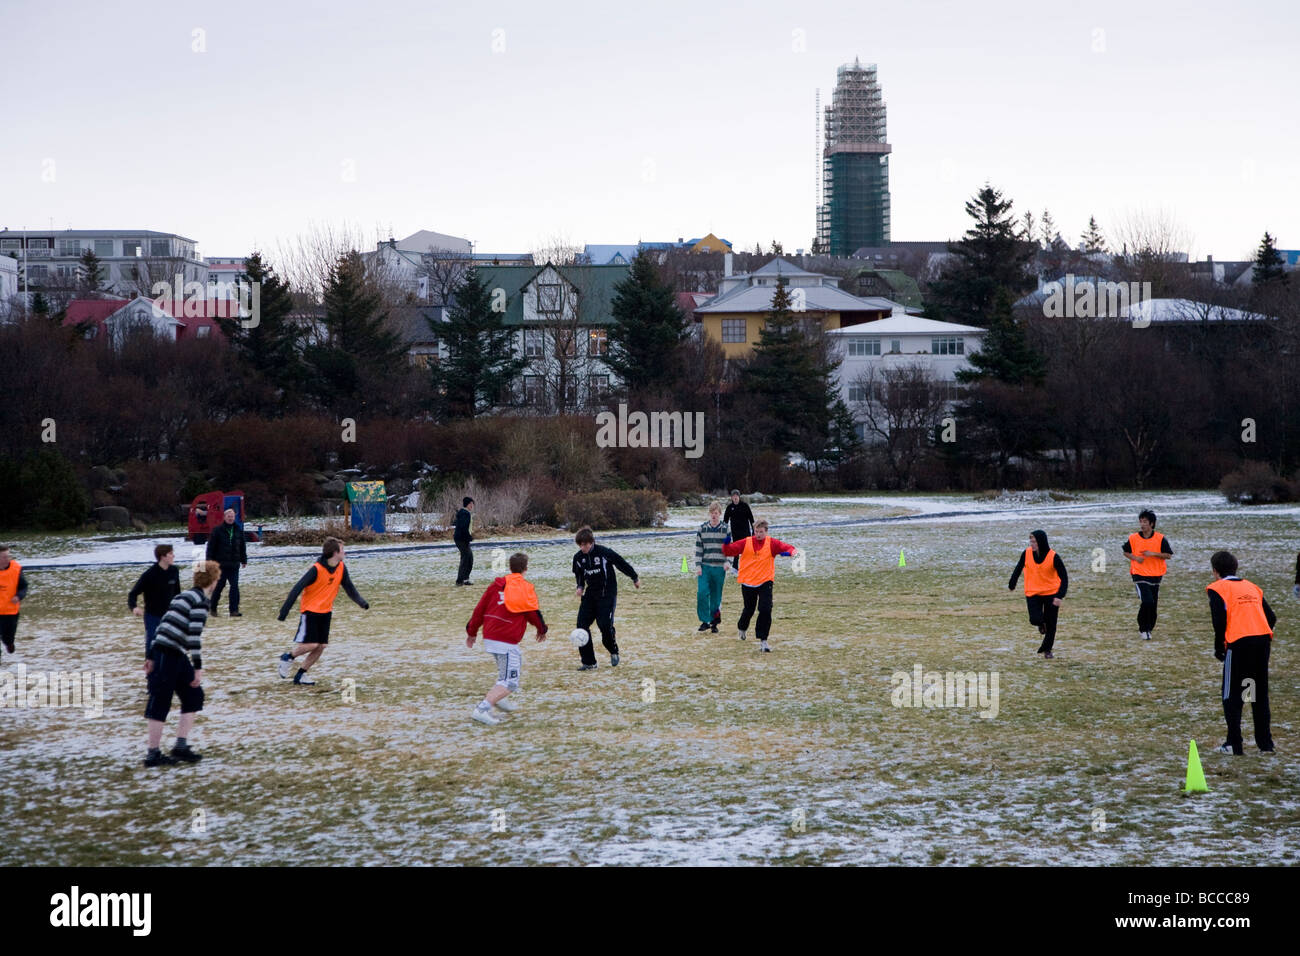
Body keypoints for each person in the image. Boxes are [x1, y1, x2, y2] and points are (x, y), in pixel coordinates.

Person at [144, 560, 219, 767]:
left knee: (193, 695)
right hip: (170, 655)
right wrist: (198, 667)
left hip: (167, 652)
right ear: (212, 580)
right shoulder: (201, 601)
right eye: (217, 578)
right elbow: (194, 636)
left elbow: (160, 626)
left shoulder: (182, 596)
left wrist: (150, 655)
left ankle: (180, 746)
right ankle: (153, 754)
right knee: (161, 702)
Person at [466, 552, 548, 726]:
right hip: (506, 641)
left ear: (510, 567)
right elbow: (532, 612)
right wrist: (542, 629)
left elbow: (479, 609)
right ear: (526, 569)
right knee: (510, 682)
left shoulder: (495, 586)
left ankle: (499, 700)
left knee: (506, 672)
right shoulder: (523, 588)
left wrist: (471, 631)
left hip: (490, 636)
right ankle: (482, 709)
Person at [1207, 551, 1276, 755]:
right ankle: (1265, 744)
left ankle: (1233, 743)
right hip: (1262, 642)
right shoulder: (1251, 586)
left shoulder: (1218, 588)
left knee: (1232, 694)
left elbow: (1219, 621)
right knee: (1256, 694)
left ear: (1215, 571)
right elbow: (1271, 617)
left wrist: (1220, 646)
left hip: (1238, 644)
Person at [276, 537, 370, 685]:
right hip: (310, 611)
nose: (344, 553)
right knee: (312, 644)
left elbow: (350, 588)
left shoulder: (341, 567)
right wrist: (284, 611)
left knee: (321, 646)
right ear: (335, 552)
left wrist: (361, 602)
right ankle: (287, 657)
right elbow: (297, 589)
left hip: (326, 612)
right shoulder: (316, 569)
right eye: (342, 550)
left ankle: (301, 675)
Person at [720, 518, 796, 653]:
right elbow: (728, 551)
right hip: (748, 582)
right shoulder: (746, 542)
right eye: (756, 531)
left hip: (765, 581)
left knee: (765, 609)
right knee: (749, 609)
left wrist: (792, 552)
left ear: (766, 532)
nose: (758, 534)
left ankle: (763, 640)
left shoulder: (772, 543)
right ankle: (742, 627)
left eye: (761, 532)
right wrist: (726, 542)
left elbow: (787, 547)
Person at [572, 526, 640, 670]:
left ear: (592, 542)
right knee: (581, 626)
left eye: (585, 544)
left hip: (607, 594)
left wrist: (634, 577)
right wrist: (580, 587)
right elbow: (579, 574)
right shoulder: (578, 558)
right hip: (590, 595)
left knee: (604, 625)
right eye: (580, 545)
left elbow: (621, 563)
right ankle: (589, 662)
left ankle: (613, 650)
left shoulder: (604, 553)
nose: (583, 547)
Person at [1007, 530, 1069, 659]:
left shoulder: (1053, 557)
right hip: (1033, 592)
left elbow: (1064, 577)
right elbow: (1018, 568)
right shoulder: (1027, 553)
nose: (1032, 544)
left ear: (1041, 542)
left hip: (1051, 593)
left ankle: (1047, 650)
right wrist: (1012, 583)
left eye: (1034, 541)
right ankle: (1041, 624)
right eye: (1031, 541)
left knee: (1051, 624)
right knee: (1035, 619)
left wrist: (1059, 596)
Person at [1122, 509, 1173, 640]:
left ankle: (1149, 628)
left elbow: (1168, 555)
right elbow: (1126, 552)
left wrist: (1153, 554)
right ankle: (1143, 628)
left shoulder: (1160, 538)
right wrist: (1135, 558)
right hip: (1139, 575)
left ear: (1152, 524)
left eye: (1145, 521)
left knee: (1153, 604)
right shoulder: (1133, 538)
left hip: (1156, 575)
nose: (1142, 524)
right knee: (1147, 601)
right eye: (1141, 521)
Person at [127, 543, 181, 655]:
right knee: (152, 644)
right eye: (171, 554)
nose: (173, 556)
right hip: (153, 616)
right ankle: (150, 667)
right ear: (162, 556)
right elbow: (133, 593)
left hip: (170, 615)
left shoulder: (174, 571)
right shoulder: (150, 574)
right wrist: (134, 607)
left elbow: (177, 593)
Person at [694, 501, 729, 633]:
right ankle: (704, 620)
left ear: (720, 514)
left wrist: (728, 562)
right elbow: (698, 548)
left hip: (719, 567)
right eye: (712, 513)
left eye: (716, 513)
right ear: (709, 514)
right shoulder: (702, 528)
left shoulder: (726, 529)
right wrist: (698, 565)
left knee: (716, 596)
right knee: (702, 593)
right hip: (705, 566)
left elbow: (729, 548)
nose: (714, 516)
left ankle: (714, 623)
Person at [205, 508, 247, 616]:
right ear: (224, 517)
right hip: (220, 565)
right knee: (219, 587)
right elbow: (210, 547)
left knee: (234, 587)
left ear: (234, 517)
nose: (230, 518)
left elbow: (242, 546)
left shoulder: (238, 529)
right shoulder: (217, 530)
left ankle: (234, 611)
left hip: (234, 565)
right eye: (228, 516)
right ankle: (213, 608)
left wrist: (244, 560)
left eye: (232, 516)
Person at [0, 545, 29, 658]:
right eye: (3, 557)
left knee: (8, 638)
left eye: (8, 556)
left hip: (10, 611)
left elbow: (24, 587)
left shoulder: (16, 569)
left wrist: (18, 596)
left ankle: (9, 643)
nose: (7, 559)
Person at [723, 490, 754, 571]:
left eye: (737, 496)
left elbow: (751, 519)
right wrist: (724, 531)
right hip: (735, 532)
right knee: (736, 550)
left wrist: (754, 530)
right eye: (733, 496)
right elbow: (725, 521)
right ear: (731, 498)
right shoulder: (729, 507)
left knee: (747, 550)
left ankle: (748, 566)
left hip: (745, 532)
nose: (735, 497)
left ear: (739, 497)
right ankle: (735, 567)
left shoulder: (745, 506)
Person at [454, 497, 475, 586]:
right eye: (472, 504)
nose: (473, 506)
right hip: (461, 539)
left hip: (462, 538)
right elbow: (463, 527)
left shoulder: (464, 513)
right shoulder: (465, 514)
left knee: (469, 558)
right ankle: (459, 580)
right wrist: (468, 537)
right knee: (465, 559)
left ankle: (465, 579)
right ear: (469, 504)